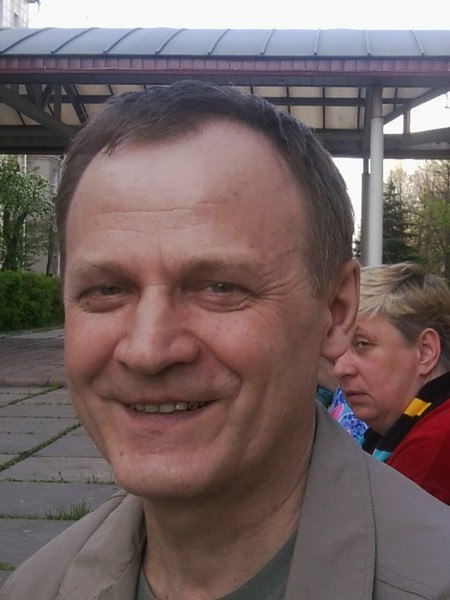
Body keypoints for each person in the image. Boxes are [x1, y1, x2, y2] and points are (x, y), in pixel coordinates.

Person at [2, 81, 450, 600]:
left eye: (219, 287)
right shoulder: (36, 587)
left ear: (335, 313)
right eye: (106, 290)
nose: (147, 350)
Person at [333, 262, 450, 504]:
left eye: (362, 344)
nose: (340, 369)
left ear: (425, 351)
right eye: (340, 348)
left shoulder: (432, 453)